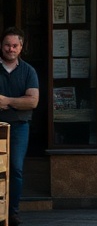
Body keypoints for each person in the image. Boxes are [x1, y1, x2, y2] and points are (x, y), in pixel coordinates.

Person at [0, 26, 40, 226]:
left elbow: (32, 102)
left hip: (18, 127)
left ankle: (12, 212)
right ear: (1, 46)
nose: (10, 49)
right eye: (7, 45)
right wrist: (19, 100)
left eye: (15, 45)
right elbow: (25, 100)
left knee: (15, 168)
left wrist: (6, 100)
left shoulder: (28, 71)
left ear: (21, 47)